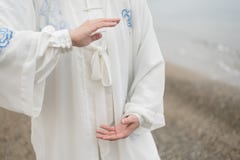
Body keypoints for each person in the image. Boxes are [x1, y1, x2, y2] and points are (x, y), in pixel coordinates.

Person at [0, 0, 165, 160]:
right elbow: (5, 47)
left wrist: (140, 111)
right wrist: (65, 39)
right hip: (65, 136)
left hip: (127, 139)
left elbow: (149, 58)